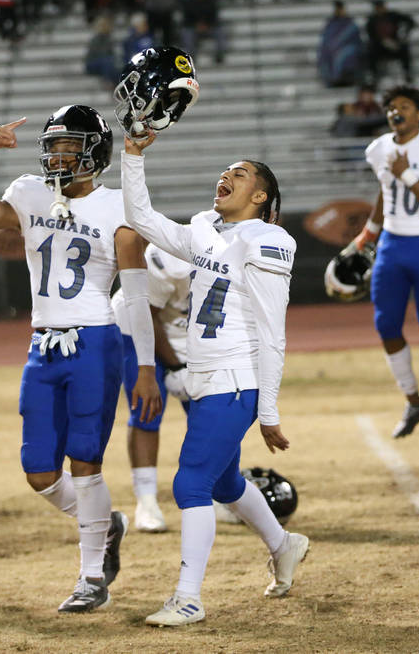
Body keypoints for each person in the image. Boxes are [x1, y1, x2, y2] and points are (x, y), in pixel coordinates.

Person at [0, 106, 163, 612]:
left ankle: (91, 578)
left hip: (96, 342)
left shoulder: (120, 208)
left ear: (95, 153)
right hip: (42, 343)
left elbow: (134, 296)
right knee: (38, 470)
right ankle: (109, 522)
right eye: (55, 146)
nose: (59, 155)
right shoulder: (29, 193)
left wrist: (145, 368)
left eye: (71, 146)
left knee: (85, 462)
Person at [120, 131, 309, 627]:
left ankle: (188, 596)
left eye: (240, 173)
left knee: (191, 482)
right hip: (205, 378)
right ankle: (284, 544)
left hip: (237, 377)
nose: (226, 176)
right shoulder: (207, 229)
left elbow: (273, 333)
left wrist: (268, 412)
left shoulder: (269, 240)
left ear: (261, 196)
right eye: (226, 170)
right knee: (224, 481)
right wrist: (133, 155)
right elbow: (141, 219)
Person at [349, 85, 419, 449]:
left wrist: (408, 175)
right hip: (392, 246)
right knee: (386, 326)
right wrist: (368, 233)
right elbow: (385, 190)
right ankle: (414, 402)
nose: (395, 112)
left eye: (404, 106)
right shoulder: (379, 148)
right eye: (391, 107)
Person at [111, 243, 193, 533]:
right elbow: (148, 315)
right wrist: (175, 367)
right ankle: (146, 501)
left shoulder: (245, 259)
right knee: (146, 410)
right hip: (139, 327)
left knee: (210, 416)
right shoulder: (171, 259)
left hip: (191, 332)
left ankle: (219, 492)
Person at [365, 0, 415, 85]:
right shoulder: (372, 20)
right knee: (371, 51)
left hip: (395, 45)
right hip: (380, 47)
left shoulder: (393, 16)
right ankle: (373, 76)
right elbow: (371, 36)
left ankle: (407, 73)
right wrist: (383, 42)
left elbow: (410, 21)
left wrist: (404, 34)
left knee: (404, 49)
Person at [318, 0, 364, 88]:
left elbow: (355, 38)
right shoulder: (331, 24)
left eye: (341, 9)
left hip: (349, 50)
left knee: (348, 53)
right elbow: (327, 40)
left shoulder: (350, 24)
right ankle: (335, 79)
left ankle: (348, 78)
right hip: (333, 51)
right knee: (329, 55)